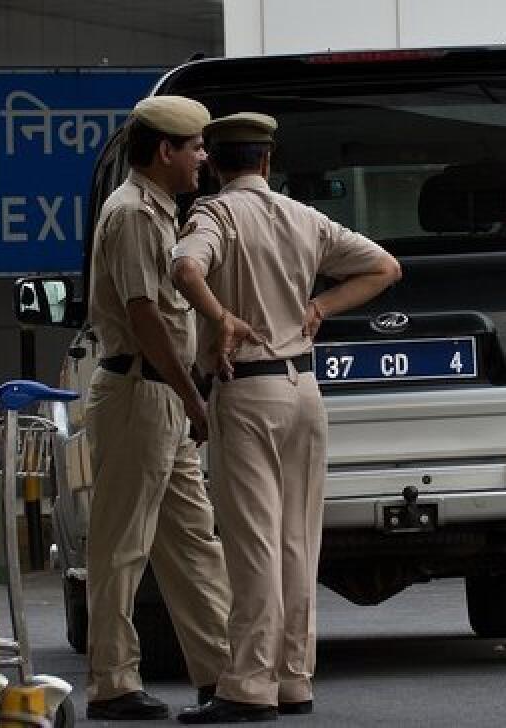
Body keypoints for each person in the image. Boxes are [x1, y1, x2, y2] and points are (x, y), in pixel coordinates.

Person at [171, 112, 401, 723]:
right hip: (305, 390)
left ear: (216, 165)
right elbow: (384, 267)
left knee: (252, 545)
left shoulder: (214, 214)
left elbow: (184, 268)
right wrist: (321, 303)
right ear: (268, 162)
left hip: (248, 392)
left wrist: (219, 316)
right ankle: (294, 679)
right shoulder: (305, 217)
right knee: (299, 541)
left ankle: (248, 687)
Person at [82, 95, 231, 721]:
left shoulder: (162, 210)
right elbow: (145, 317)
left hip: (159, 396)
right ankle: (112, 685)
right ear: (165, 151)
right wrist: (192, 397)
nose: (203, 156)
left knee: (194, 540)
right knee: (121, 546)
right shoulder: (137, 216)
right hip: (142, 394)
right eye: (194, 146)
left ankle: (224, 675)